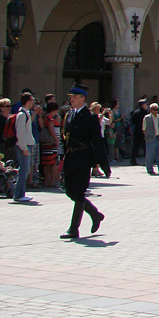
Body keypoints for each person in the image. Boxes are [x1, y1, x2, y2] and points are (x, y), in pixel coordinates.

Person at [59, 84, 106, 239]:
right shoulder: (70, 114)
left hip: (83, 157)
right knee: (69, 191)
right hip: (70, 157)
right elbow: (64, 136)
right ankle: (95, 214)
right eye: (70, 97)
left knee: (78, 193)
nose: (71, 99)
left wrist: (102, 163)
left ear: (82, 98)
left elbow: (98, 141)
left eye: (74, 97)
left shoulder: (90, 117)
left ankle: (74, 229)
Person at [11, 92, 36, 203]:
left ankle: (20, 193)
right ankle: (19, 194)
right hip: (23, 146)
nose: (33, 102)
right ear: (27, 101)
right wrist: (24, 148)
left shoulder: (27, 114)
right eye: (31, 100)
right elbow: (20, 133)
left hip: (27, 145)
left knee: (25, 170)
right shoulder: (22, 115)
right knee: (24, 170)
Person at [40, 101, 62, 187]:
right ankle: (52, 181)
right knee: (53, 162)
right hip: (51, 142)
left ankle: (48, 181)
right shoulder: (50, 118)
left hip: (48, 143)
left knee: (47, 162)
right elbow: (51, 129)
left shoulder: (47, 117)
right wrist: (56, 139)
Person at [142, 103, 159, 175]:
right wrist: (148, 136)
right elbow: (144, 129)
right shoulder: (147, 118)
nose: (156, 111)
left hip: (158, 137)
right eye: (154, 109)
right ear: (150, 110)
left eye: (157, 109)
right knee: (150, 154)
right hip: (150, 138)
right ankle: (149, 169)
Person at [128, 98, 149, 166]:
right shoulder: (145, 113)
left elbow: (133, 121)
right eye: (146, 104)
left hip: (137, 131)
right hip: (143, 131)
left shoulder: (135, 112)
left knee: (136, 146)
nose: (147, 106)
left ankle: (133, 160)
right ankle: (149, 160)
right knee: (146, 146)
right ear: (142, 105)